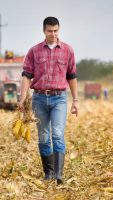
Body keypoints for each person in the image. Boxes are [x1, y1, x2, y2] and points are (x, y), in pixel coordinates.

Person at [18, 16, 78, 184]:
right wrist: (22, 99)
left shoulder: (68, 50)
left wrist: (76, 100)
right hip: (39, 98)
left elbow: (72, 76)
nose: (53, 34)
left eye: (56, 30)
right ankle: (49, 173)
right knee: (44, 136)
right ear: (44, 31)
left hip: (59, 98)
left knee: (58, 135)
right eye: (50, 31)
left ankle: (58, 175)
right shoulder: (34, 51)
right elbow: (26, 76)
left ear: (59, 30)